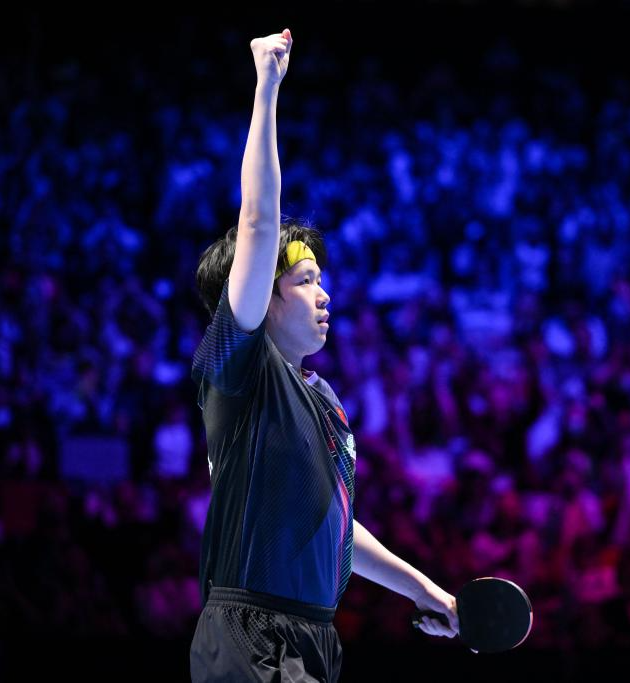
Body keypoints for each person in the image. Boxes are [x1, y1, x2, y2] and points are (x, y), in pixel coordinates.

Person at [188, 28, 460, 683]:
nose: (324, 293)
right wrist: (268, 84)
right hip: (250, 628)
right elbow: (259, 223)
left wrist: (422, 588)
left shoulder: (322, 399)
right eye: (305, 280)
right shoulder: (238, 371)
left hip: (314, 633)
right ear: (261, 297)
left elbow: (333, 526)